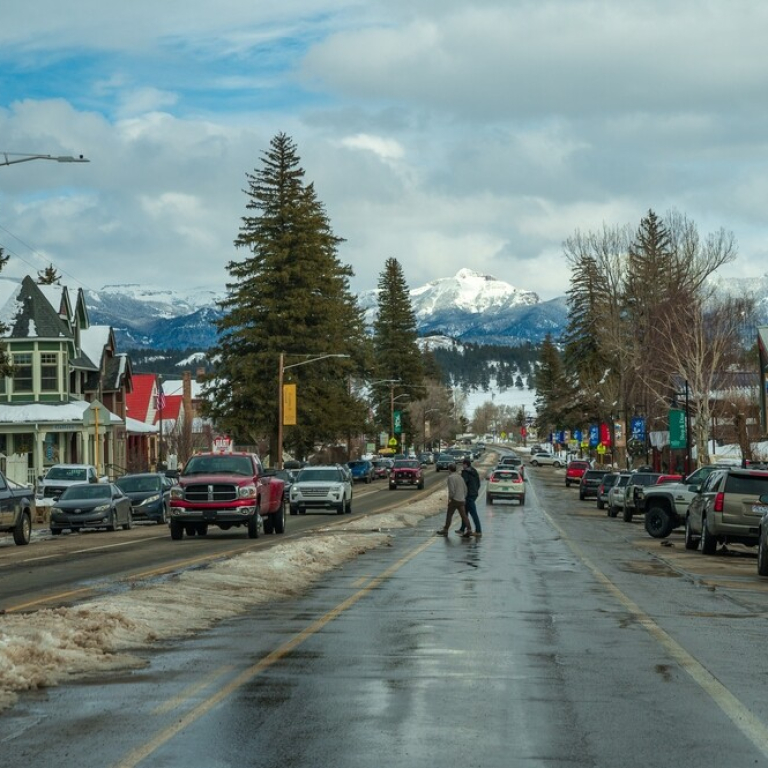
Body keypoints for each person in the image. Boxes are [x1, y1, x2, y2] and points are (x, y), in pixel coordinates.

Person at [437, 464, 472, 538]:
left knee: (449, 514)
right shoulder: (460, 477)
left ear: (449, 469)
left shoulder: (450, 478)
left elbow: (451, 490)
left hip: (454, 500)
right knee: (464, 516)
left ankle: (445, 530)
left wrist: (450, 499)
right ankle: (469, 529)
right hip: (461, 499)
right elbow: (465, 489)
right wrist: (463, 497)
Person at [457, 457, 482, 536]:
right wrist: (476, 491)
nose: (462, 466)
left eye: (463, 464)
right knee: (465, 512)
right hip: (474, 494)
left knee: (473, 513)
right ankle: (462, 529)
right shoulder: (474, 471)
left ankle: (478, 530)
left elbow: (463, 483)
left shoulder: (465, 473)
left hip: (468, 495)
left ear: (466, 464)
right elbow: (478, 483)